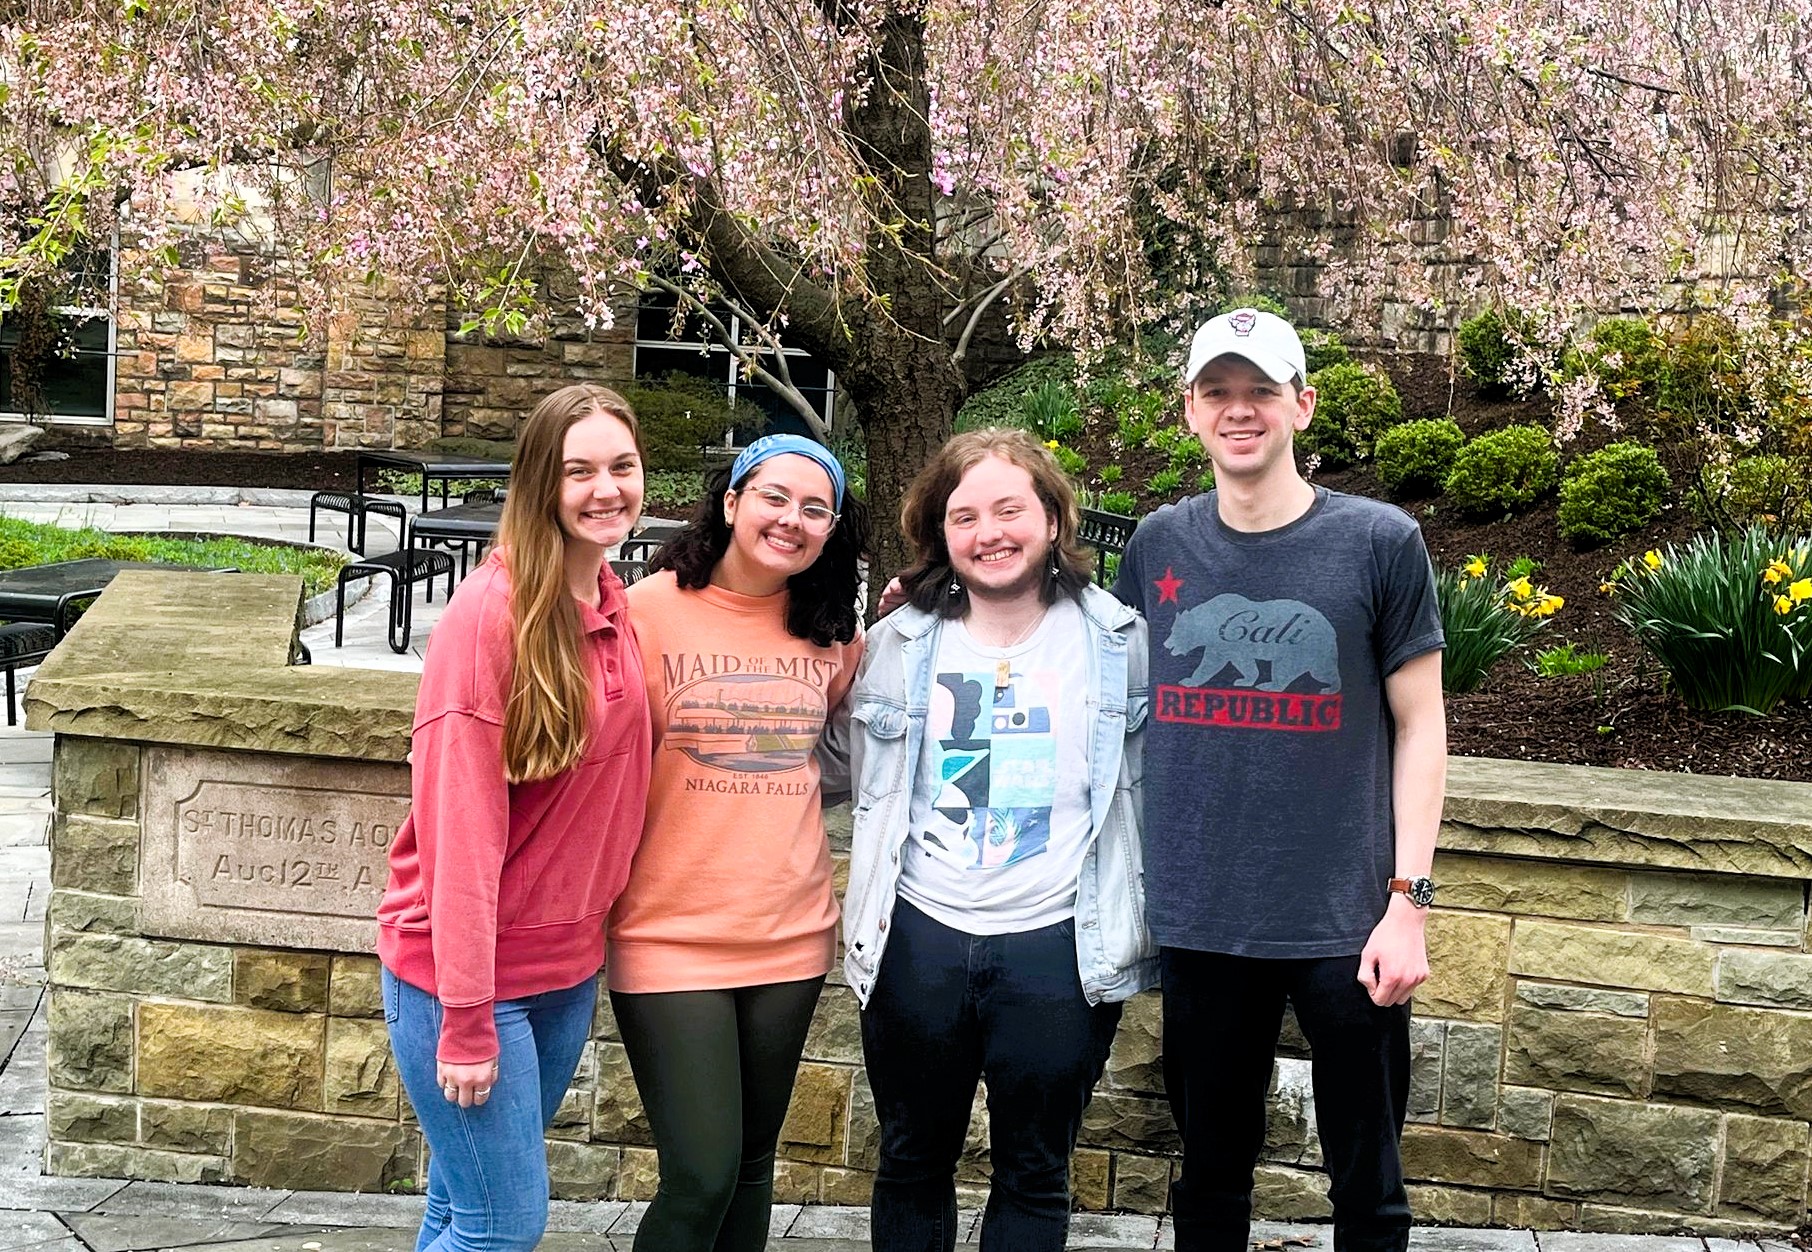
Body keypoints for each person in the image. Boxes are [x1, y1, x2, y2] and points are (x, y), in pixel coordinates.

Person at [1112, 308, 1447, 1252]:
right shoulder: (1158, 546)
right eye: (1218, 391)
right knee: (1210, 1181)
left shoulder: (1379, 542)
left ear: (1301, 405)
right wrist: (936, 604)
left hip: (1346, 918)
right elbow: (1100, 670)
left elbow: (1423, 726)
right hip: (1202, 915)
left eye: (1260, 390)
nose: (1239, 409)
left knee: (1368, 1185)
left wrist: (1408, 901)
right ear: (1189, 410)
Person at [845, 427, 1156, 1252]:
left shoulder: (1121, 644)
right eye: (965, 515)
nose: (990, 532)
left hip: (1058, 942)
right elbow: (835, 763)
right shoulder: (893, 644)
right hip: (918, 935)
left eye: (1010, 509)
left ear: (1053, 518)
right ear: (939, 533)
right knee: (911, 1161)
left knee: (1035, 1171)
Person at [376, 383, 653, 1251]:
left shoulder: (611, 599)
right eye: (579, 471)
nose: (606, 488)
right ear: (540, 483)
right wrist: (463, 1018)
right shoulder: (489, 622)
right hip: (468, 982)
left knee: (462, 1208)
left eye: (622, 466)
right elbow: (459, 837)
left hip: (564, 970)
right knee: (504, 1226)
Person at [607, 433, 869, 1252]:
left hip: (789, 934)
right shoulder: (641, 612)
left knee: (755, 1165)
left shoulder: (830, 635)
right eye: (774, 497)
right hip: (666, 933)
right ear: (730, 502)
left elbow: (839, 757)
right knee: (703, 1171)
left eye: (814, 508)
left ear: (831, 530)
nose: (792, 519)